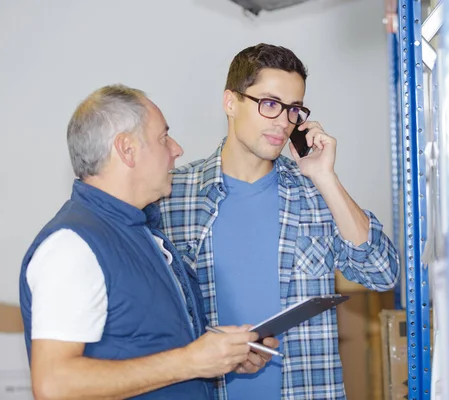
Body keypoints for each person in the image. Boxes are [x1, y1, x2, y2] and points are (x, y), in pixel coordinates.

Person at [157, 44, 400, 399]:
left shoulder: (314, 194)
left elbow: (382, 273)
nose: (283, 122)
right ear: (230, 102)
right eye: (269, 104)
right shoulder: (173, 196)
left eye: (294, 110)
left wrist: (325, 177)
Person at [18, 84, 278, 400]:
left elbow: (149, 344)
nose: (177, 149)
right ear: (127, 149)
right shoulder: (72, 246)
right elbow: (54, 385)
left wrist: (220, 354)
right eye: (163, 138)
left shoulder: (146, 235)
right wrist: (191, 361)